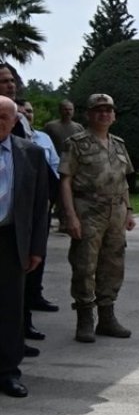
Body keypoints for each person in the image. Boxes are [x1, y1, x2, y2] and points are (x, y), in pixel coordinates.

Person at [60, 94, 136, 343]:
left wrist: (130, 210)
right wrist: (70, 216)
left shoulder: (118, 144)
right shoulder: (76, 143)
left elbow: (123, 180)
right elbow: (66, 180)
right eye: (99, 110)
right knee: (85, 265)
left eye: (108, 110)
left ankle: (107, 316)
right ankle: (85, 318)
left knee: (113, 264)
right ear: (89, 114)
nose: (104, 114)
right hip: (87, 210)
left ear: (114, 115)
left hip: (115, 212)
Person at [0, 96, 49, 398]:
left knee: (10, 309)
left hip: (10, 239)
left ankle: (7, 372)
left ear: (16, 121)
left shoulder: (31, 154)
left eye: (5, 117)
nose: (0, 122)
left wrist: (36, 248)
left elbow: (39, 208)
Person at [16, 99, 60, 350]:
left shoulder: (38, 143)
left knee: (30, 270)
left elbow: (51, 173)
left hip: (31, 215)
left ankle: (21, 332)